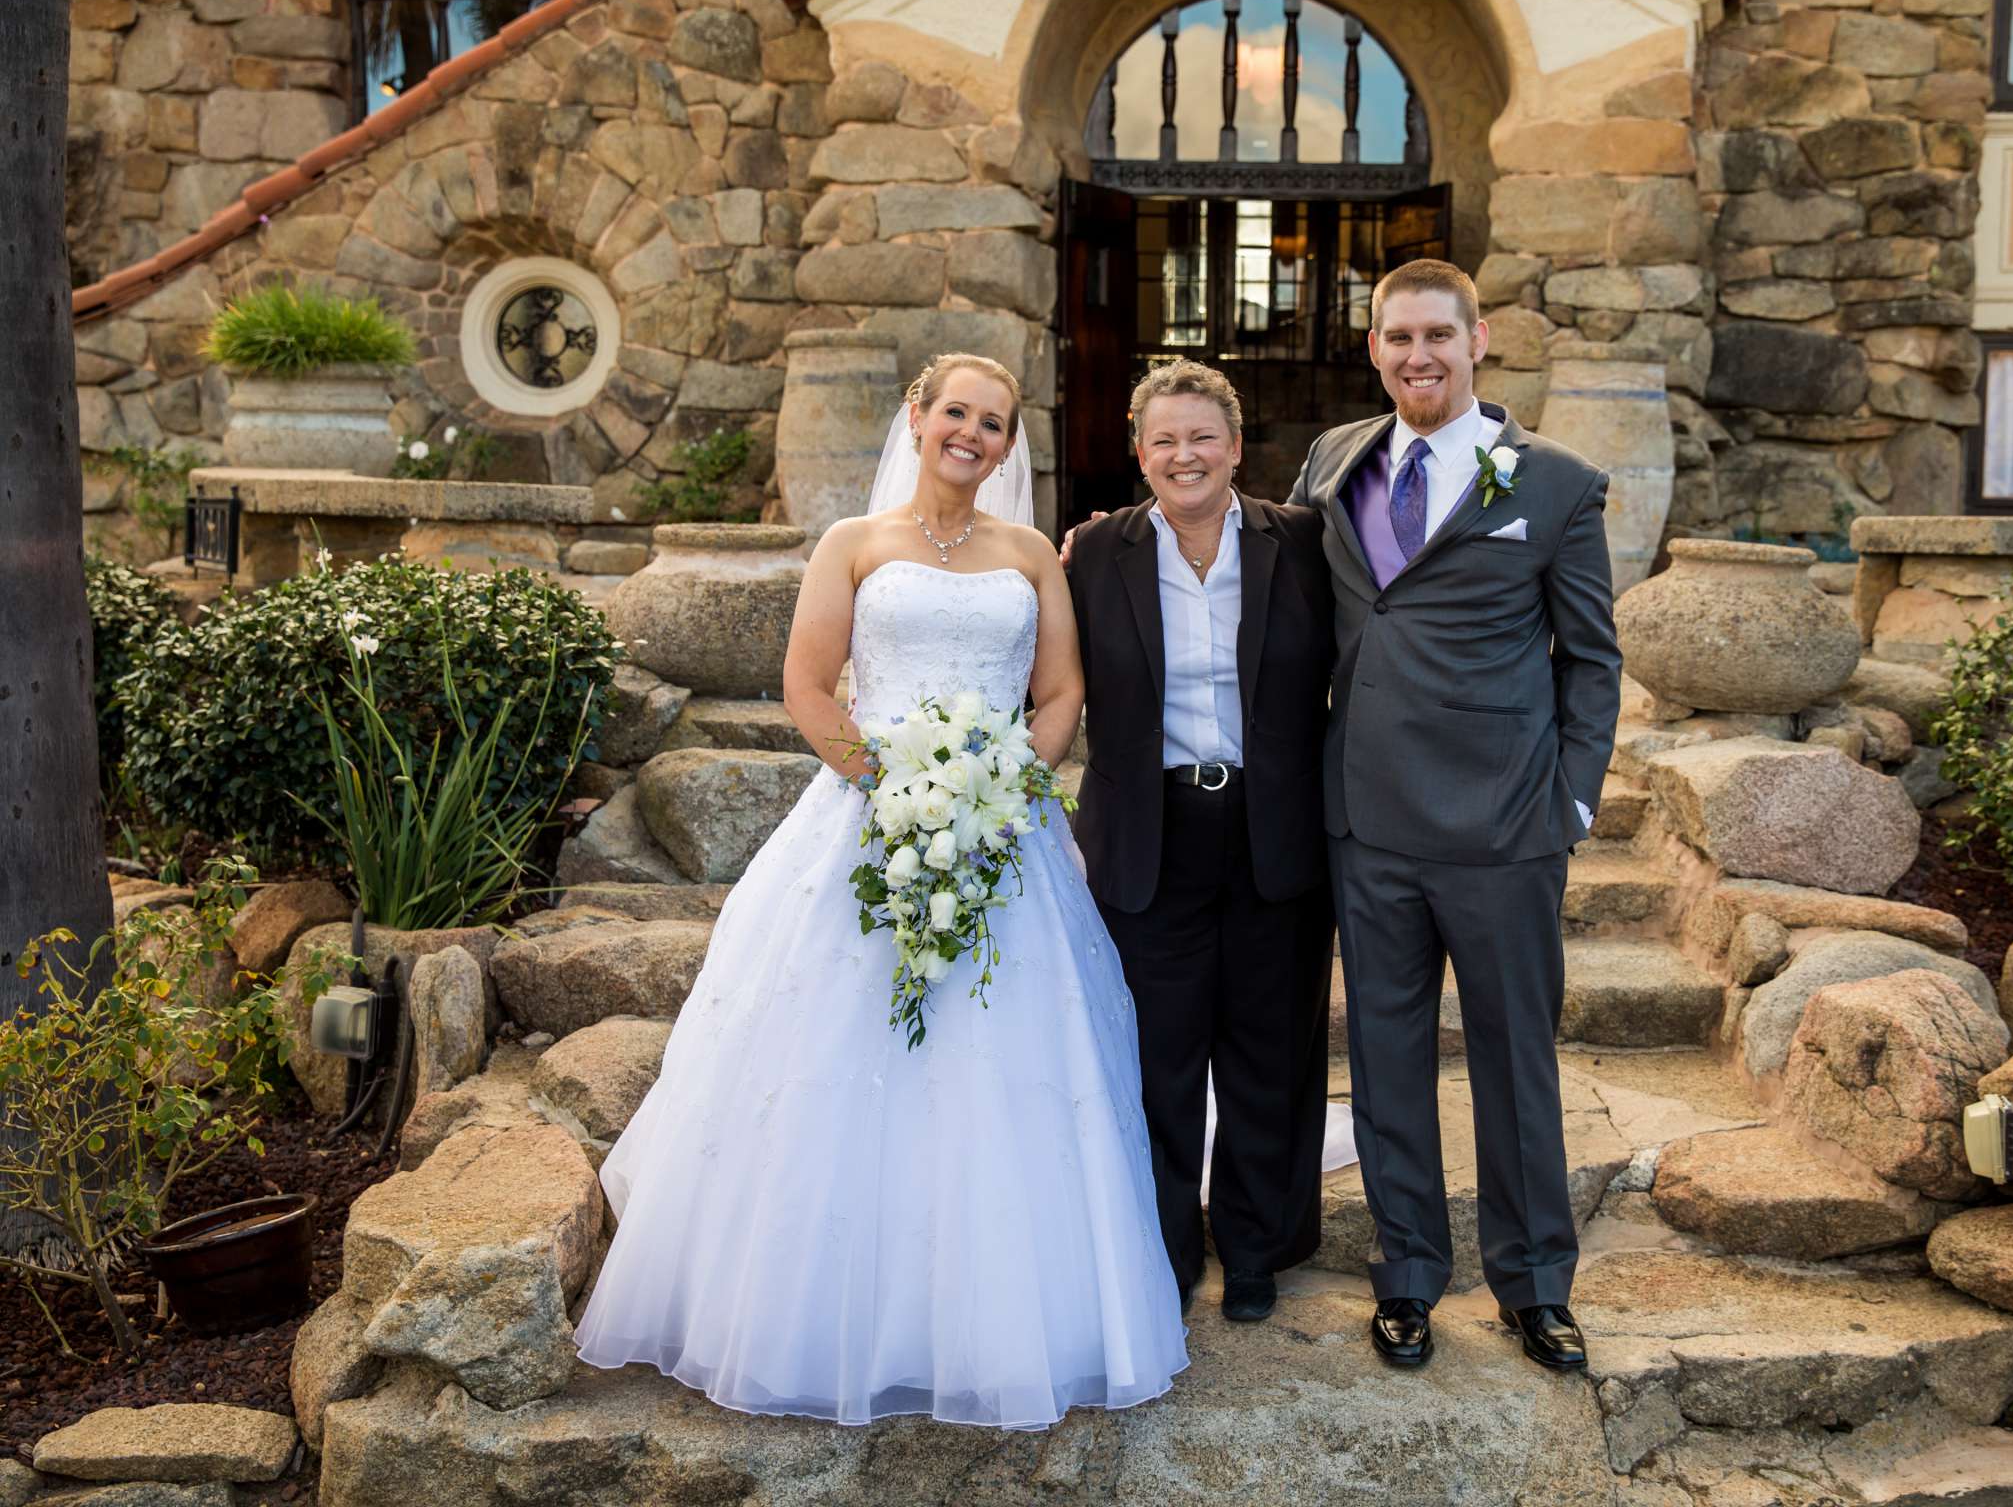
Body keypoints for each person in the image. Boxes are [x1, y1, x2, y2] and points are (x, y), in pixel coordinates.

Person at [574, 353, 1188, 1430]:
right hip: (868, 825)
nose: (972, 434)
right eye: (956, 411)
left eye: (993, 423)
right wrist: (894, 788)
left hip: (1004, 837)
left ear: (1008, 446)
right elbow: (809, 688)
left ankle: (999, 1320)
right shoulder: (853, 546)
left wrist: (1002, 791)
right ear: (918, 417)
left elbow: (1062, 694)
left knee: (1004, 1062)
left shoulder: (1031, 556)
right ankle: (815, 1312)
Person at [1284, 257, 1622, 1373]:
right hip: (1369, 823)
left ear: (1480, 340)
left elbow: (1592, 660)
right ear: (1374, 348)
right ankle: (1411, 1275)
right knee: (1383, 1060)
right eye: (1397, 337)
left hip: (1505, 826)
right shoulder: (1335, 462)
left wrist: (1569, 799)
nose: (1417, 355)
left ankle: (1534, 1285)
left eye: (1438, 334)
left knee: (1514, 1060)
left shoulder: (1558, 484)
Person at [1064, 359, 1341, 1326]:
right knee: (1158, 1056)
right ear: (1138, 453)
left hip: (1277, 831)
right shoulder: (1092, 555)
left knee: (1271, 1053)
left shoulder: (1303, 542)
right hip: (1148, 833)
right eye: (1164, 440)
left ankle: (1258, 1248)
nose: (1186, 455)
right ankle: (1169, 1247)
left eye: (1203, 437)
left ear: (1236, 444)